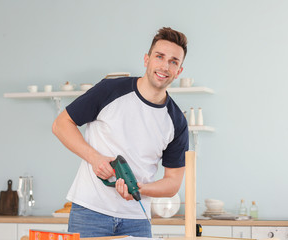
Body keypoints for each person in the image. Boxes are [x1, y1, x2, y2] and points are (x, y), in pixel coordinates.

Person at [52, 27, 189, 238]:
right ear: (147, 59)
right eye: (159, 57)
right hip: (90, 213)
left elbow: (173, 183)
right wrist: (95, 158)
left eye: (173, 61)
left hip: (137, 220)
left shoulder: (177, 121)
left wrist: (139, 190)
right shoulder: (110, 90)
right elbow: (61, 124)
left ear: (179, 71)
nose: (164, 66)